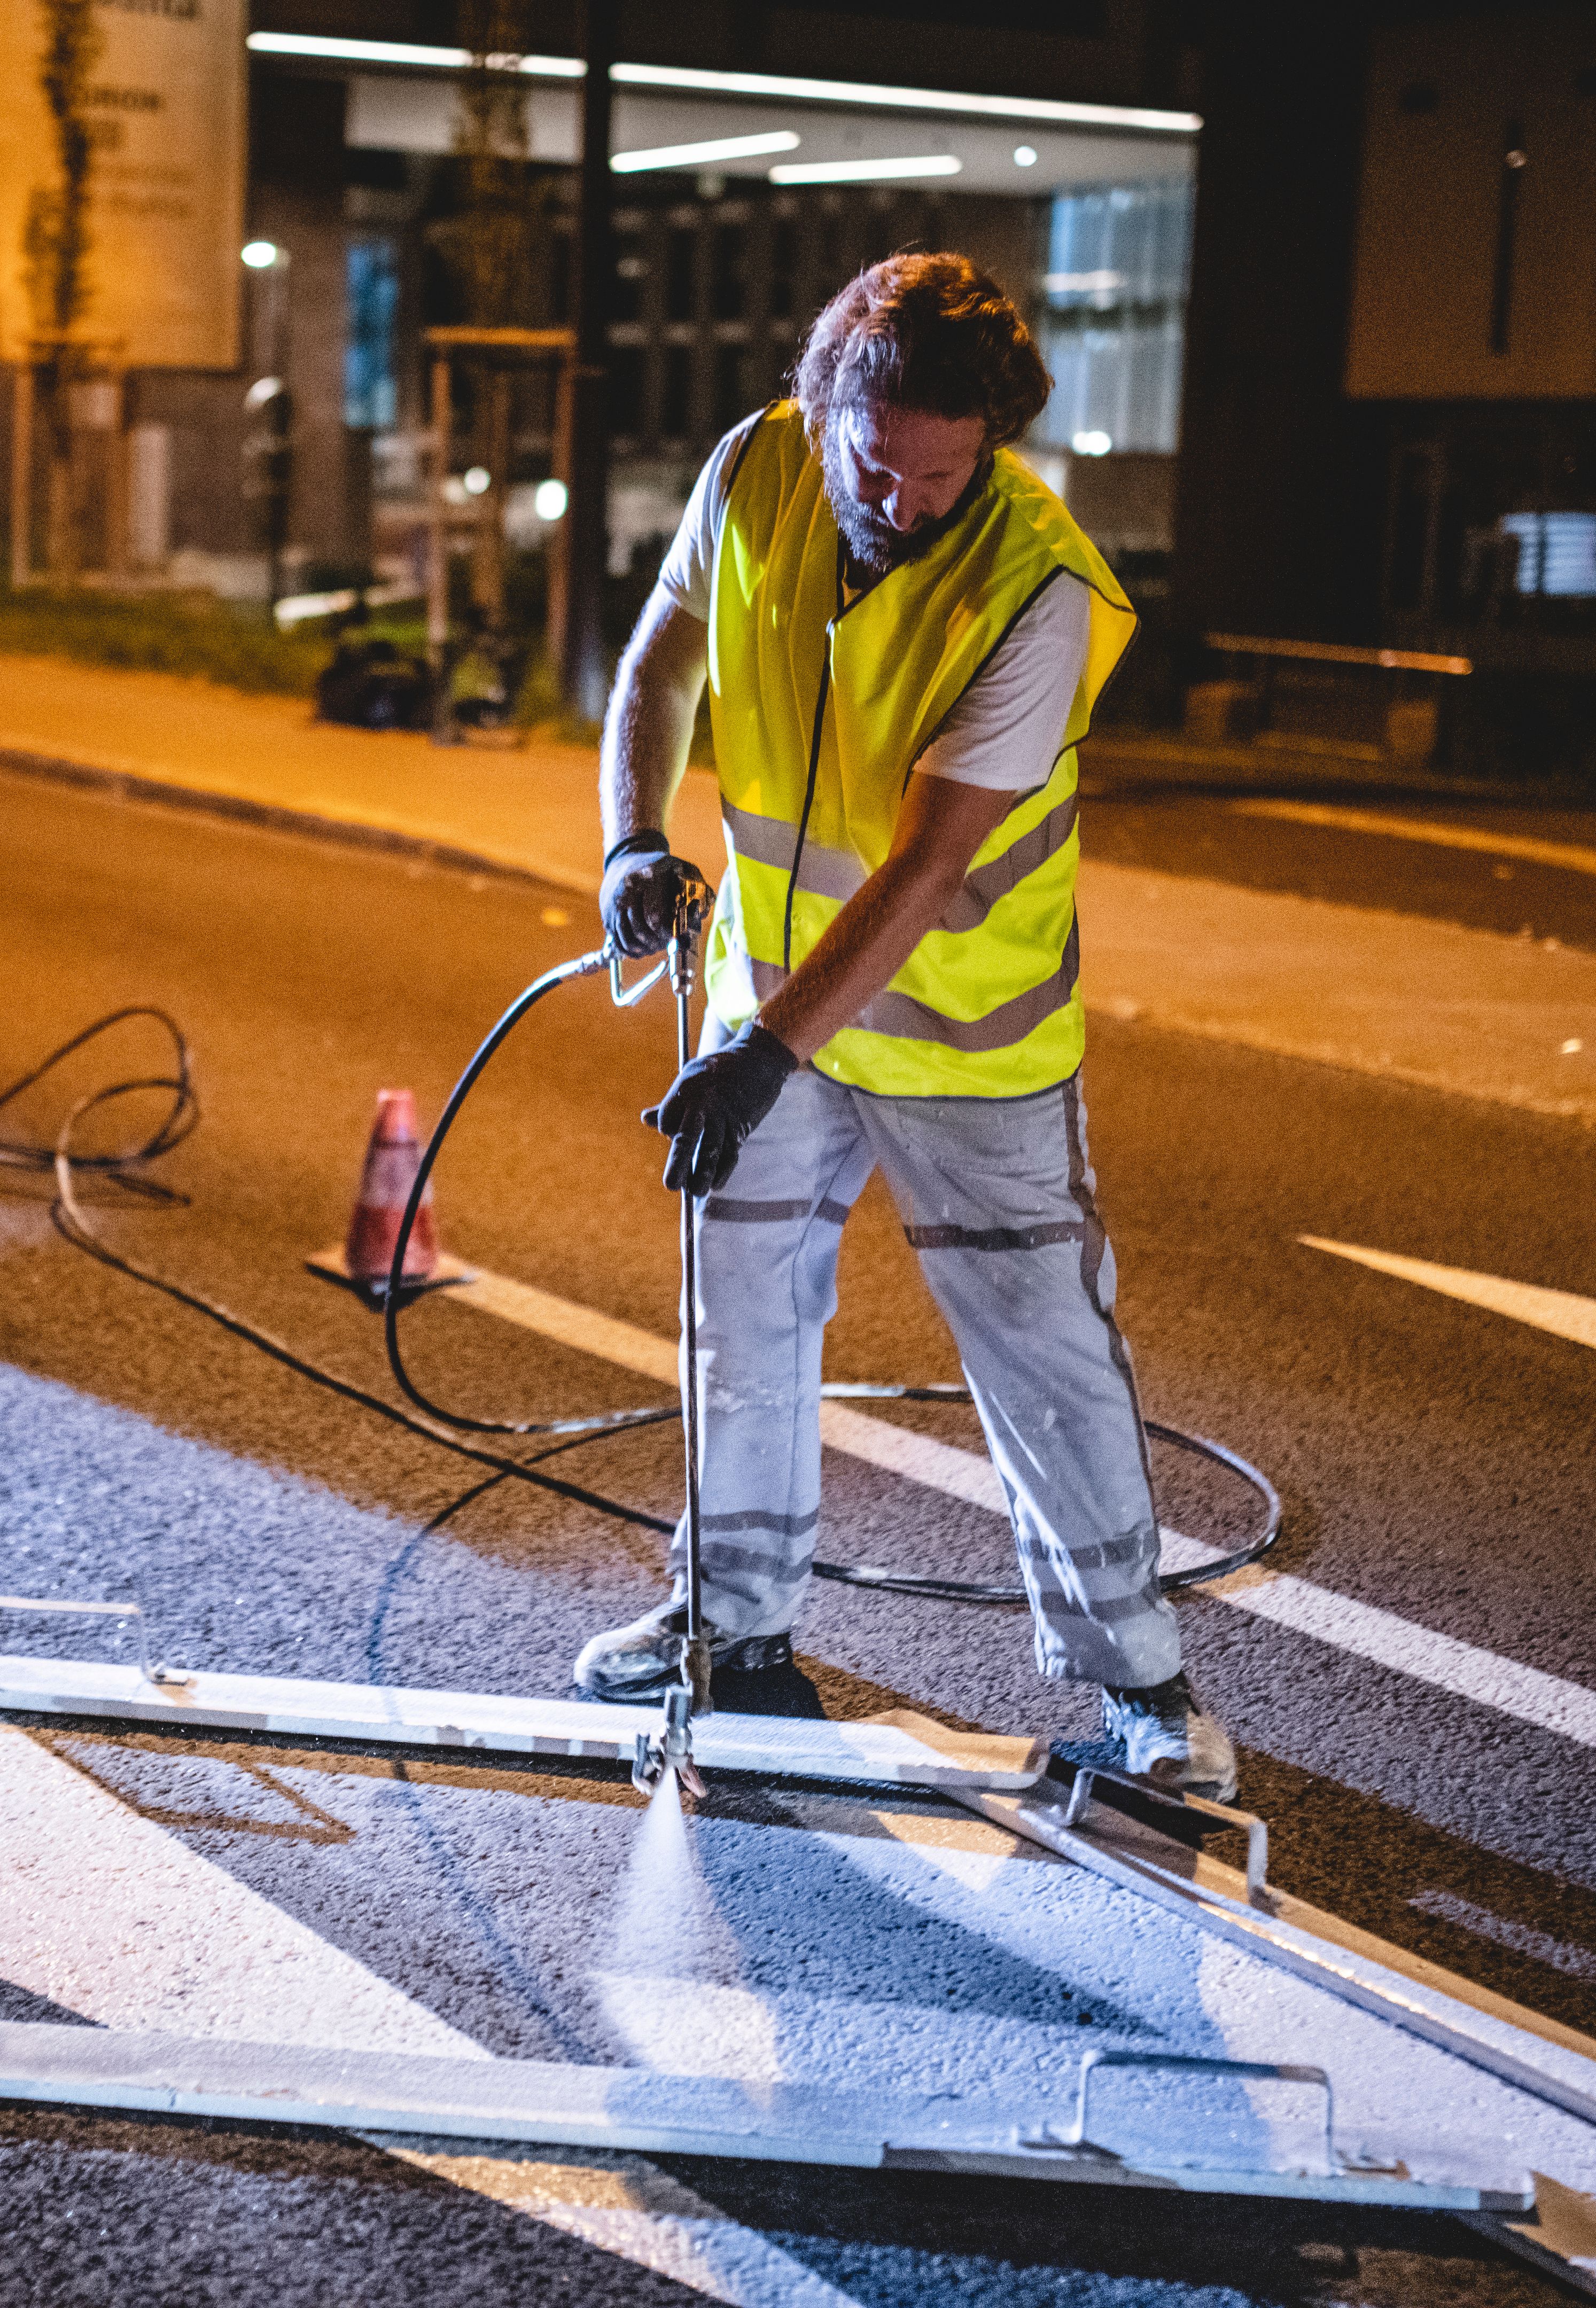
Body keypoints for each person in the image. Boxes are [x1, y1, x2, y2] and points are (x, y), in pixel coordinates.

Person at [577, 252, 1235, 1799]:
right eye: (878, 460)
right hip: (777, 1011)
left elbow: (936, 861)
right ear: (820, 407)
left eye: (948, 472)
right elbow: (665, 657)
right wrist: (626, 835)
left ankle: (1140, 1681)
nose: (909, 497)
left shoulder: (1041, 591)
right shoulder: (757, 467)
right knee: (737, 1326)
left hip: (965, 1044)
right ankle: (728, 1632)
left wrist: (757, 1055)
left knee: (1043, 1356)